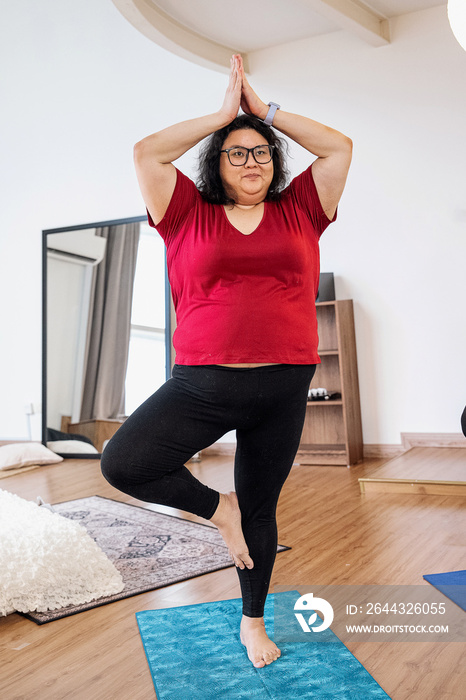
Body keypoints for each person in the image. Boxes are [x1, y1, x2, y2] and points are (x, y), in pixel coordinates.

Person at [101, 55, 352, 668]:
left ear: (276, 162)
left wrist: (263, 112)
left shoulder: (301, 210)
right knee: (125, 462)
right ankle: (221, 509)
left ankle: (252, 622)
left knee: (263, 509)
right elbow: (147, 152)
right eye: (236, 152)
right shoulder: (186, 213)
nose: (250, 160)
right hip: (203, 384)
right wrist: (222, 115)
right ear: (217, 163)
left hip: (285, 385)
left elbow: (340, 148)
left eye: (261, 152)